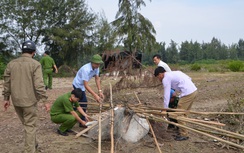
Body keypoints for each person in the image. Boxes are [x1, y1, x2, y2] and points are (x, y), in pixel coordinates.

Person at [2, 40, 50, 153]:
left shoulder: (11, 64)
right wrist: (45, 100)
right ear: (33, 52)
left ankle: (34, 144)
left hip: (16, 101)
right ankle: (30, 150)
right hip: (29, 101)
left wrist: (6, 99)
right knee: (30, 126)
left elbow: (6, 82)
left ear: (22, 51)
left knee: (28, 125)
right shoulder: (35, 64)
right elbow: (39, 85)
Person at [154, 66, 197, 141]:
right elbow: (189, 78)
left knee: (179, 113)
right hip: (194, 91)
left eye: (158, 77)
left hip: (188, 93)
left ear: (161, 74)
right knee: (184, 113)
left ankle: (184, 134)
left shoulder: (165, 78)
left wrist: (164, 109)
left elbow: (166, 95)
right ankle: (182, 130)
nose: (159, 79)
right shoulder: (174, 73)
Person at [72, 54, 105, 124]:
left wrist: (100, 91)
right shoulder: (85, 69)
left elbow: (97, 79)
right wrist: (95, 95)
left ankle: (77, 115)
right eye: (96, 64)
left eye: (99, 64)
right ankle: (81, 120)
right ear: (92, 62)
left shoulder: (96, 68)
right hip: (77, 84)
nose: (98, 65)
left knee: (81, 102)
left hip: (82, 86)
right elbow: (86, 85)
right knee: (83, 101)